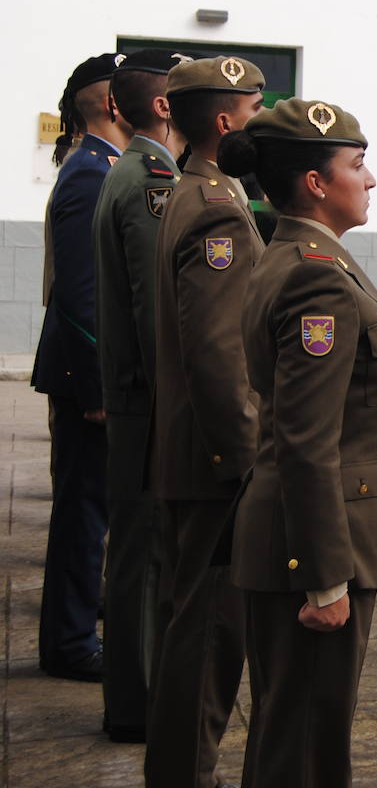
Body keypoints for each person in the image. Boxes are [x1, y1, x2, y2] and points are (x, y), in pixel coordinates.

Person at [222, 98, 377, 787]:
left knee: (289, 726)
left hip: (300, 536)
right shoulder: (317, 275)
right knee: (304, 740)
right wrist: (325, 576)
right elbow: (305, 439)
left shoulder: (294, 256)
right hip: (319, 551)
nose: (372, 179)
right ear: (318, 184)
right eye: (357, 165)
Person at [147, 57, 266, 787]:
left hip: (189, 453)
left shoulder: (186, 191)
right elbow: (219, 356)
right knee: (209, 635)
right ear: (225, 122)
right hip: (216, 463)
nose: (261, 121)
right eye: (254, 109)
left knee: (193, 624)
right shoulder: (218, 207)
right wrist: (250, 458)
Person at [92, 49, 188, 735]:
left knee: (137, 550)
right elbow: (158, 304)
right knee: (146, 556)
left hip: (135, 395)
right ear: (163, 105)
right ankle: (141, 704)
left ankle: (134, 699)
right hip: (149, 399)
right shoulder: (154, 178)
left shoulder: (136, 170)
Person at [33, 54, 129, 687]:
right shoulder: (91, 174)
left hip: (86, 375)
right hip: (83, 381)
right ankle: (68, 641)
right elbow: (79, 291)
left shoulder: (104, 169)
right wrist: (98, 386)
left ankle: (79, 614)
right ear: (115, 106)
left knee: (93, 507)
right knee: (82, 512)